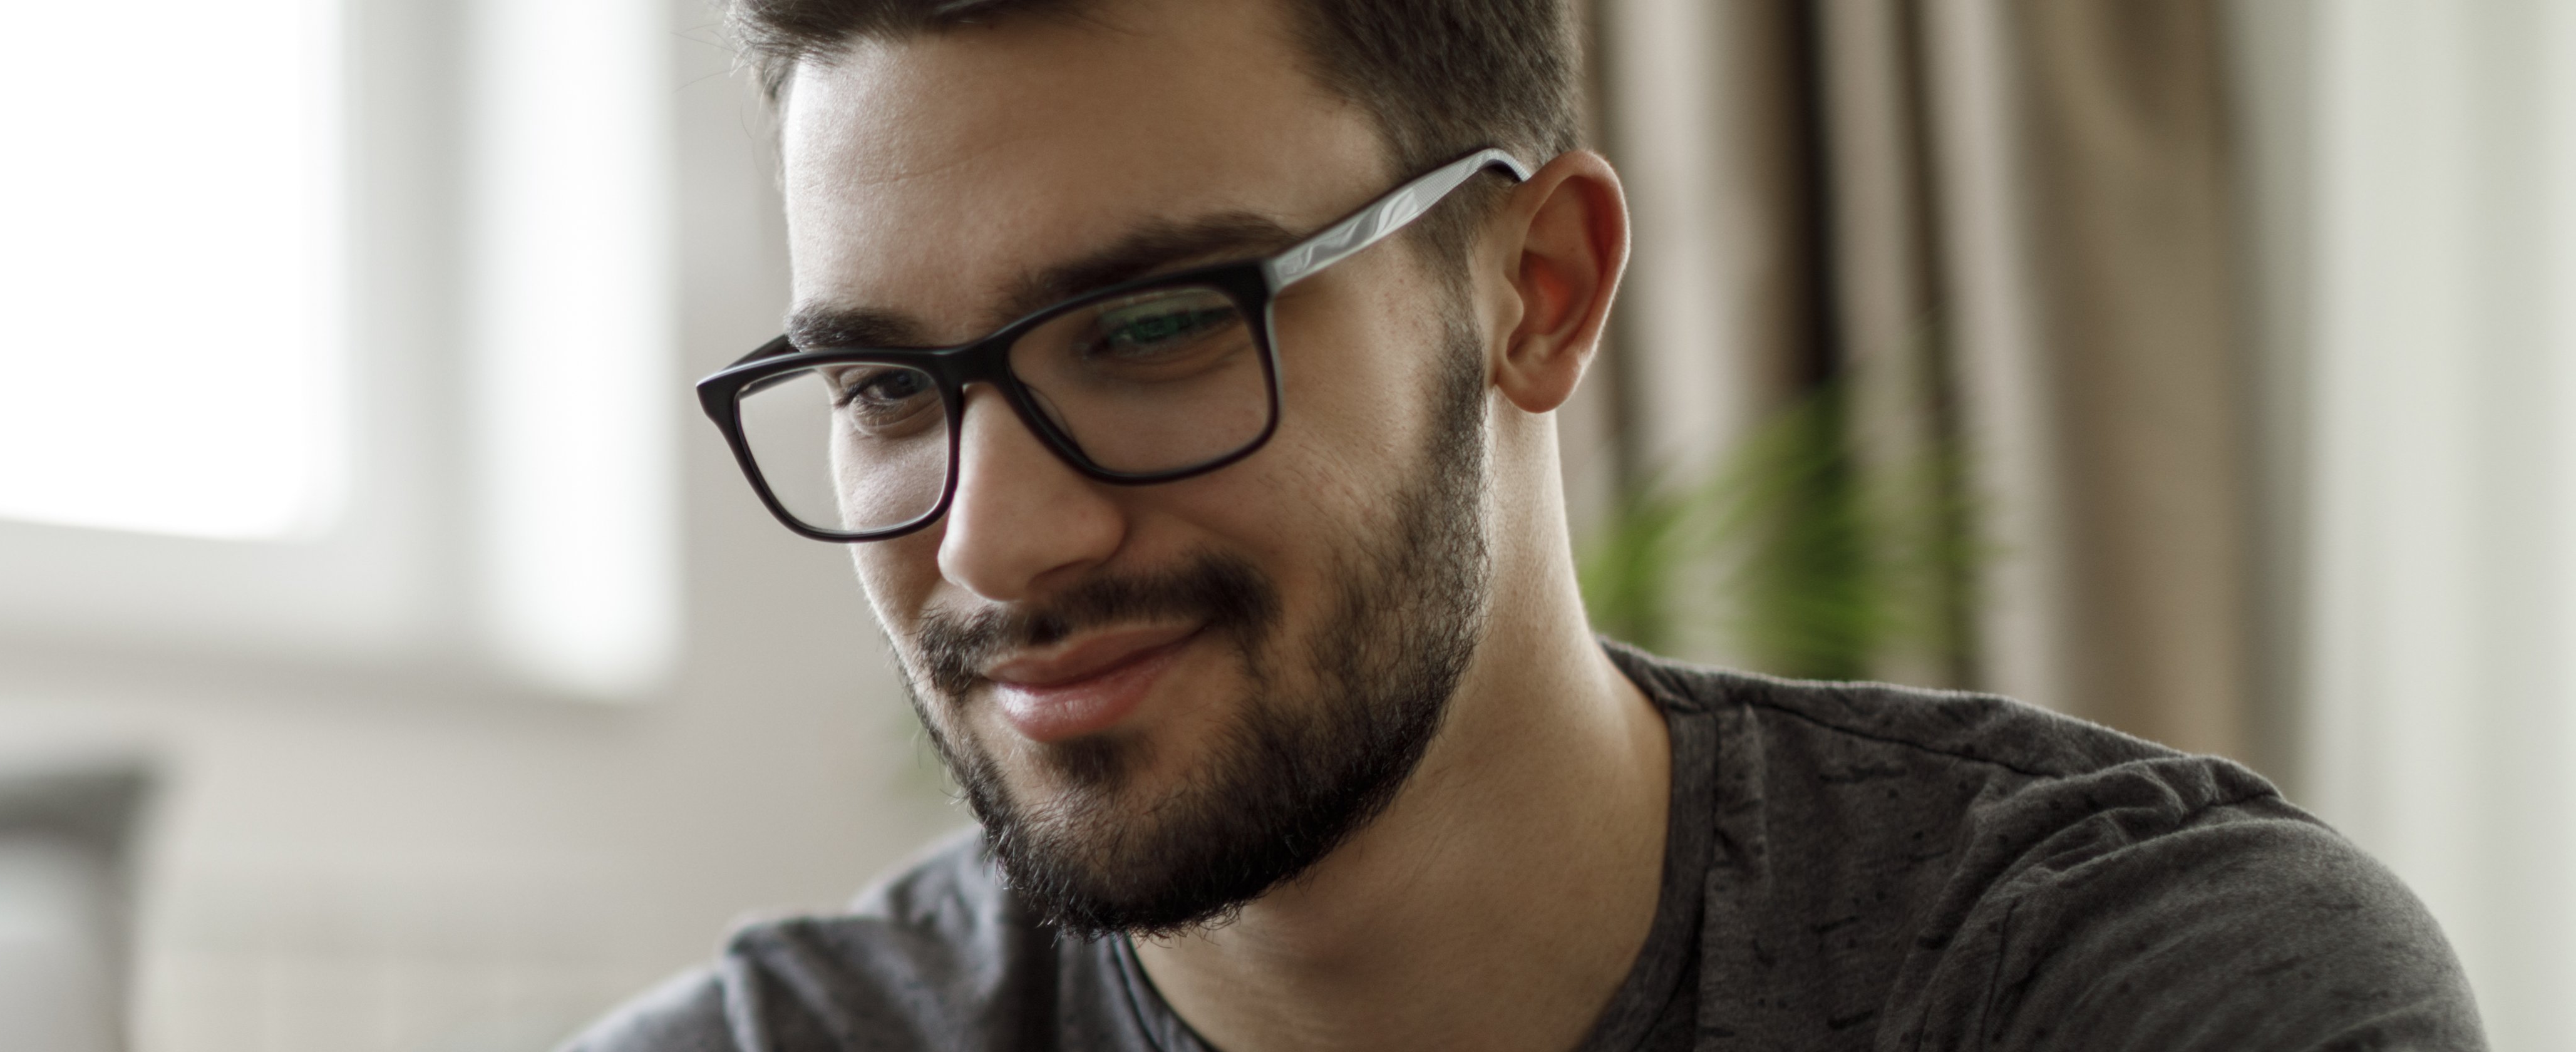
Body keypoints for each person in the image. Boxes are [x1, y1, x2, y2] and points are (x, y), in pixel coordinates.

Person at [566, 1, 2481, 1049]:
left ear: (1538, 288)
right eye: (893, 388)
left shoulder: (2125, 987)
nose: (998, 548)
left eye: (1155, 328)